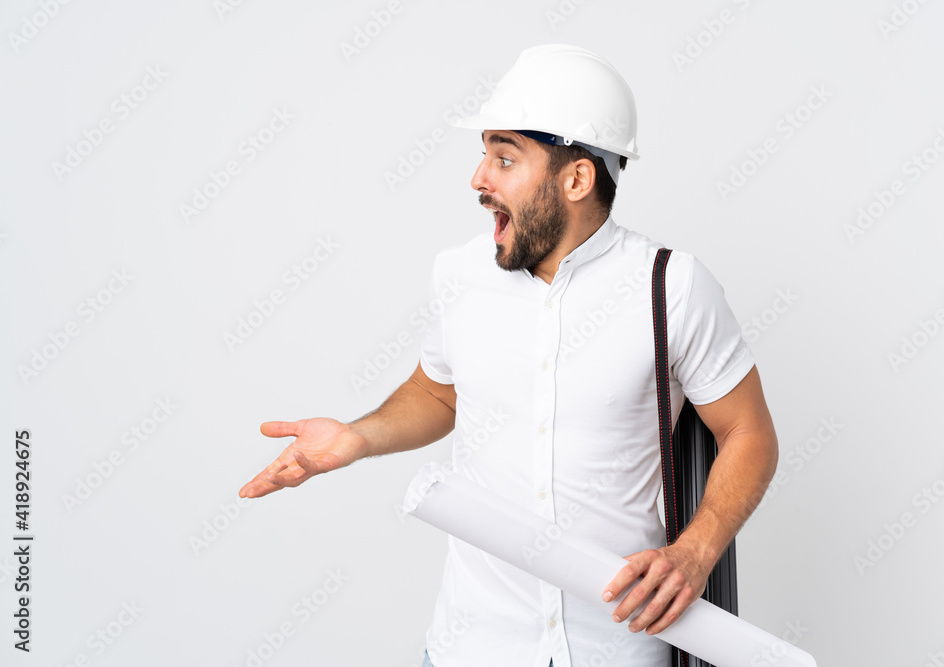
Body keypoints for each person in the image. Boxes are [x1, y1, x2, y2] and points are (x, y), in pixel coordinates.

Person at [239, 44, 779, 667]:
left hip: (615, 648)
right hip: (473, 645)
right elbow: (439, 392)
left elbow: (748, 432)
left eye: (504, 158)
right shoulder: (459, 274)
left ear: (576, 178)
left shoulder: (672, 287)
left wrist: (695, 551)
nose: (478, 180)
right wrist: (357, 437)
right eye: (483, 155)